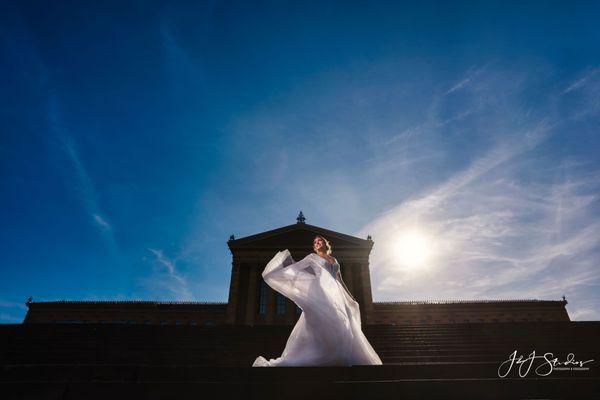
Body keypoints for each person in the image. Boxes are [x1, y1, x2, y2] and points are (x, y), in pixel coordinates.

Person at [252, 235, 383, 367]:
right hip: (321, 292)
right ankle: (322, 354)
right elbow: (296, 268)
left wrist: (350, 297)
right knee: (323, 319)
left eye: (319, 240)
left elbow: (340, 281)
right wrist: (282, 270)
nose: (317, 243)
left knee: (342, 322)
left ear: (326, 243)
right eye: (315, 242)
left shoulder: (334, 260)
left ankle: (336, 353)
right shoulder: (312, 258)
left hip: (336, 294)